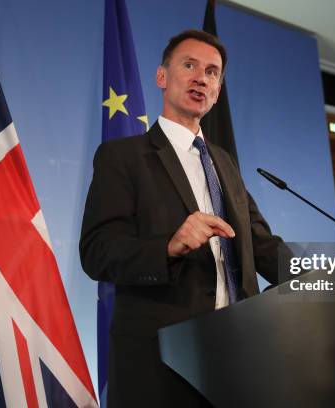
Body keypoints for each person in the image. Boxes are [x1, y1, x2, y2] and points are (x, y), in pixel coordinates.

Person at [80, 30, 286, 407]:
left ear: (218, 90)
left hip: (239, 352)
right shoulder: (123, 157)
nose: (201, 78)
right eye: (189, 65)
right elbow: (97, 252)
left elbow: (260, 244)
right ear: (162, 77)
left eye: (212, 72)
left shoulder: (225, 162)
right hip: (163, 359)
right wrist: (169, 246)